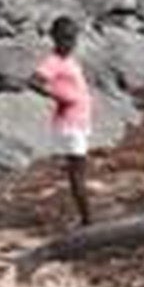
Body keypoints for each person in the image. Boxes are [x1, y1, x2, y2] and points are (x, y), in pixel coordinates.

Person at [30, 15, 93, 225]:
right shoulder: (53, 61)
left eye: (72, 38)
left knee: (79, 169)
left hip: (80, 121)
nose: (70, 43)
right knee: (77, 171)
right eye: (65, 38)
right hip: (70, 122)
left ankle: (85, 216)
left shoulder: (68, 60)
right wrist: (59, 96)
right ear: (54, 39)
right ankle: (87, 219)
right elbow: (35, 81)